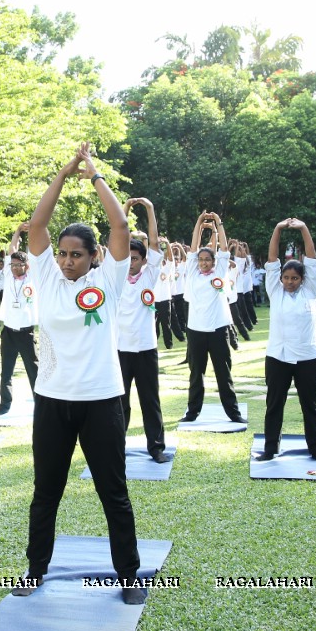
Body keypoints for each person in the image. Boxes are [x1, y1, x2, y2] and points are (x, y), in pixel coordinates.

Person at [13, 142, 145, 605]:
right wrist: (63, 171)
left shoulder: (108, 280)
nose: (67, 260)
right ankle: (35, 569)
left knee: (114, 493)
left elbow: (120, 225)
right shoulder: (45, 277)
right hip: (52, 400)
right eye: (63, 254)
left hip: (102, 401)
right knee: (46, 492)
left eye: (76, 254)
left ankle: (129, 575)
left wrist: (93, 175)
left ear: (93, 257)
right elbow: (39, 223)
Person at [258, 218, 316, 462]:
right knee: (274, 405)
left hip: (308, 357)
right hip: (278, 356)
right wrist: (277, 228)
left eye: (294, 278)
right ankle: (270, 448)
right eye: (286, 277)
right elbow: (272, 260)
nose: (289, 281)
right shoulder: (274, 291)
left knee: (310, 406)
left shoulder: (309, 290)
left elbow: (311, 256)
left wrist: (304, 228)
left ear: (302, 279)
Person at [180, 211, 246, 424]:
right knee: (196, 374)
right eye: (201, 259)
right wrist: (199, 223)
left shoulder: (220, 273)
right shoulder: (192, 271)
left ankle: (233, 413)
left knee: (223, 373)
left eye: (208, 259)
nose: (204, 263)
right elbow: (192, 247)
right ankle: (192, 412)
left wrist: (218, 223)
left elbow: (225, 249)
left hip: (218, 329)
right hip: (196, 330)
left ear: (214, 261)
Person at [118, 198, 168, 463]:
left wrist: (149, 208)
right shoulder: (113, 276)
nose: (130, 263)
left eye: (135, 259)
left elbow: (156, 243)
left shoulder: (149, 275)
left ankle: (156, 447)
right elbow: (116, 234)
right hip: (120, 348)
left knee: (150, 400)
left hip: (146, 347)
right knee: (119, 402)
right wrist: (124, 209)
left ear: (144, 260)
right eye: (127, 258)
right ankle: (116, 445)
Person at [0, 222, 38, 416]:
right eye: (11, 265)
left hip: (26, 332)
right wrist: (17, 231)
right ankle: (4, 405)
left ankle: (41, 404)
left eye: (17, 265)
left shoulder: (32, 277)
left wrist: (33, 232)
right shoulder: (8, 275)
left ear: (25, 266)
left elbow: (36, 256)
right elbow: (12, 249)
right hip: (9, 331)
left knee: (33, 371)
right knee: (6, 371)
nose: (13, 268)